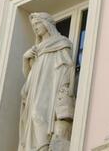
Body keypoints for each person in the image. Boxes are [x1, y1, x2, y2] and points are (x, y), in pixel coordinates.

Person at [19, 12, 75, 151]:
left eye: (37, 23)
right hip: (35, 88)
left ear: (46, 23)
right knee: (33, 116)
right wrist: (25, 59)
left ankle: (44, 147)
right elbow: (29, 75)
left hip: (50, 86)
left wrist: (64, 88)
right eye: (33, 26)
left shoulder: (61, 42)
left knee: (38, 113)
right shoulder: (36, 49)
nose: (35, 28)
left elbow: (68, 65)